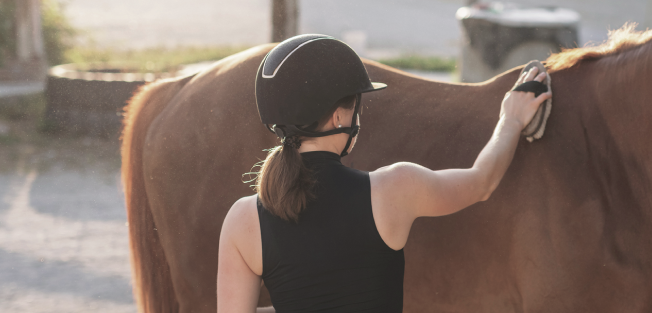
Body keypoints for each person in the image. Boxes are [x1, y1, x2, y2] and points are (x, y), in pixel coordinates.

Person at [216, 34, 551, 312]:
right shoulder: (395, 188)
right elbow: (481, 182)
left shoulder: (242, 220)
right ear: (338, 117)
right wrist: (511, 118)